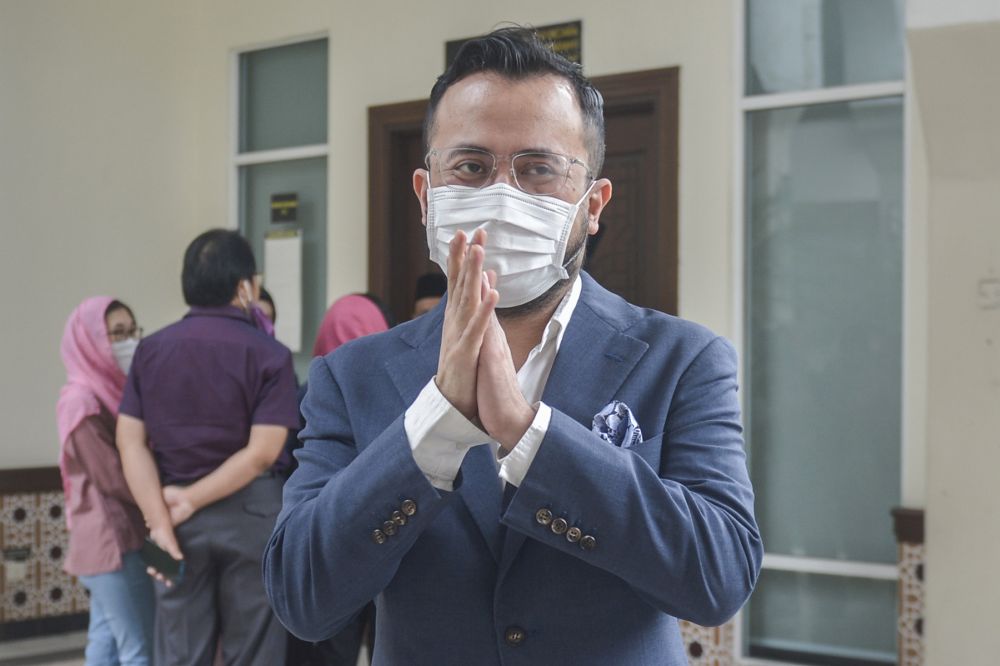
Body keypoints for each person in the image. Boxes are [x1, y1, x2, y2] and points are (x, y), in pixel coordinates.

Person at [264, 28, 762, 666]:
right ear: (426, 195)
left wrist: (530, 434)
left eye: (539, 168)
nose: (503, 196)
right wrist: (433, 428)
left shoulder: (682, 360)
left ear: (593, 205)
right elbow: (303, 600)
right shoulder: (352, 375)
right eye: (471, 167)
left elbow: (719, 578)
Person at [116, 229, 300, 666]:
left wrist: (161, 520)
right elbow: (262, 452)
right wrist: (187, 502)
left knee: (179, 651)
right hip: (254, 517)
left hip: (174, 518)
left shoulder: (150, 351)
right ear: (243, 287)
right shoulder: (269, 354)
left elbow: (129, 442)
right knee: (256, 651)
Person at [285, 293, 390, 666]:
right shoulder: (399, 390)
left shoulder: (307, 394)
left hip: (332, 547)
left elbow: (294, 474)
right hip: (391, 545)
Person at [56, 297, 153, 666]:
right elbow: (111, 476)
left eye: (132, 331)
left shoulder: (115, 391)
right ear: (90, 341)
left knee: (107, 641)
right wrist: (163, 501)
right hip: (113, 542)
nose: (128, 342)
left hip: (124, 536)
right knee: (141, 647)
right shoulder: (81, 401)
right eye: (116, 334)